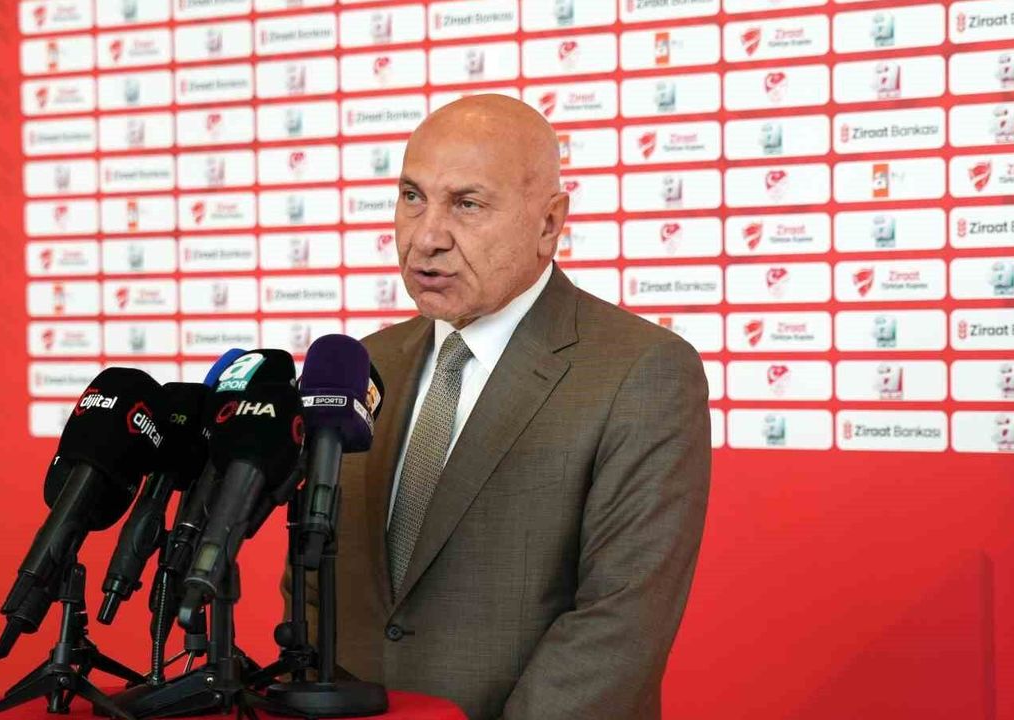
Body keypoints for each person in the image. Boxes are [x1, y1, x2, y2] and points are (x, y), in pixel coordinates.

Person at [290, 95, 711, 720]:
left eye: (467, 204)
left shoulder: (640, 371)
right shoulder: (363, 366)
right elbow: (310, 584)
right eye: (412, 196)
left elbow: (618, 623)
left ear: (549, 223)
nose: (426, 237)